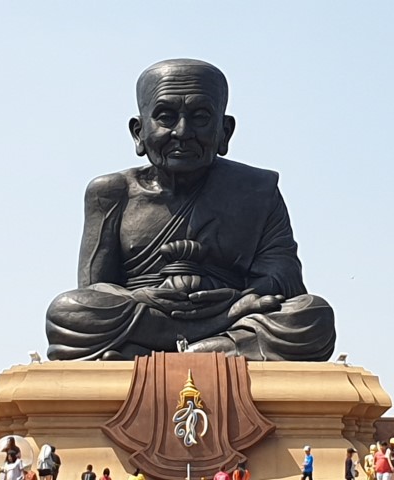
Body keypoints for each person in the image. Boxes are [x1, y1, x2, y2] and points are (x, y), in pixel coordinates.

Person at [45, 58, 336, 362]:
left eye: (199, 117)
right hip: (149, 315)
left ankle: (153, 356)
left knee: (313, 314)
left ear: (225, 132)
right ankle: (206, 353)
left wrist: (230, 301)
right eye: (166, 117)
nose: (183, 132)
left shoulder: (256, 190)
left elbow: (285, 279)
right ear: (138, 132)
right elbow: (94, 288)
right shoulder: (111, 193)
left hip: (234, 313)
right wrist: (140, 297)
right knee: (67, 310)